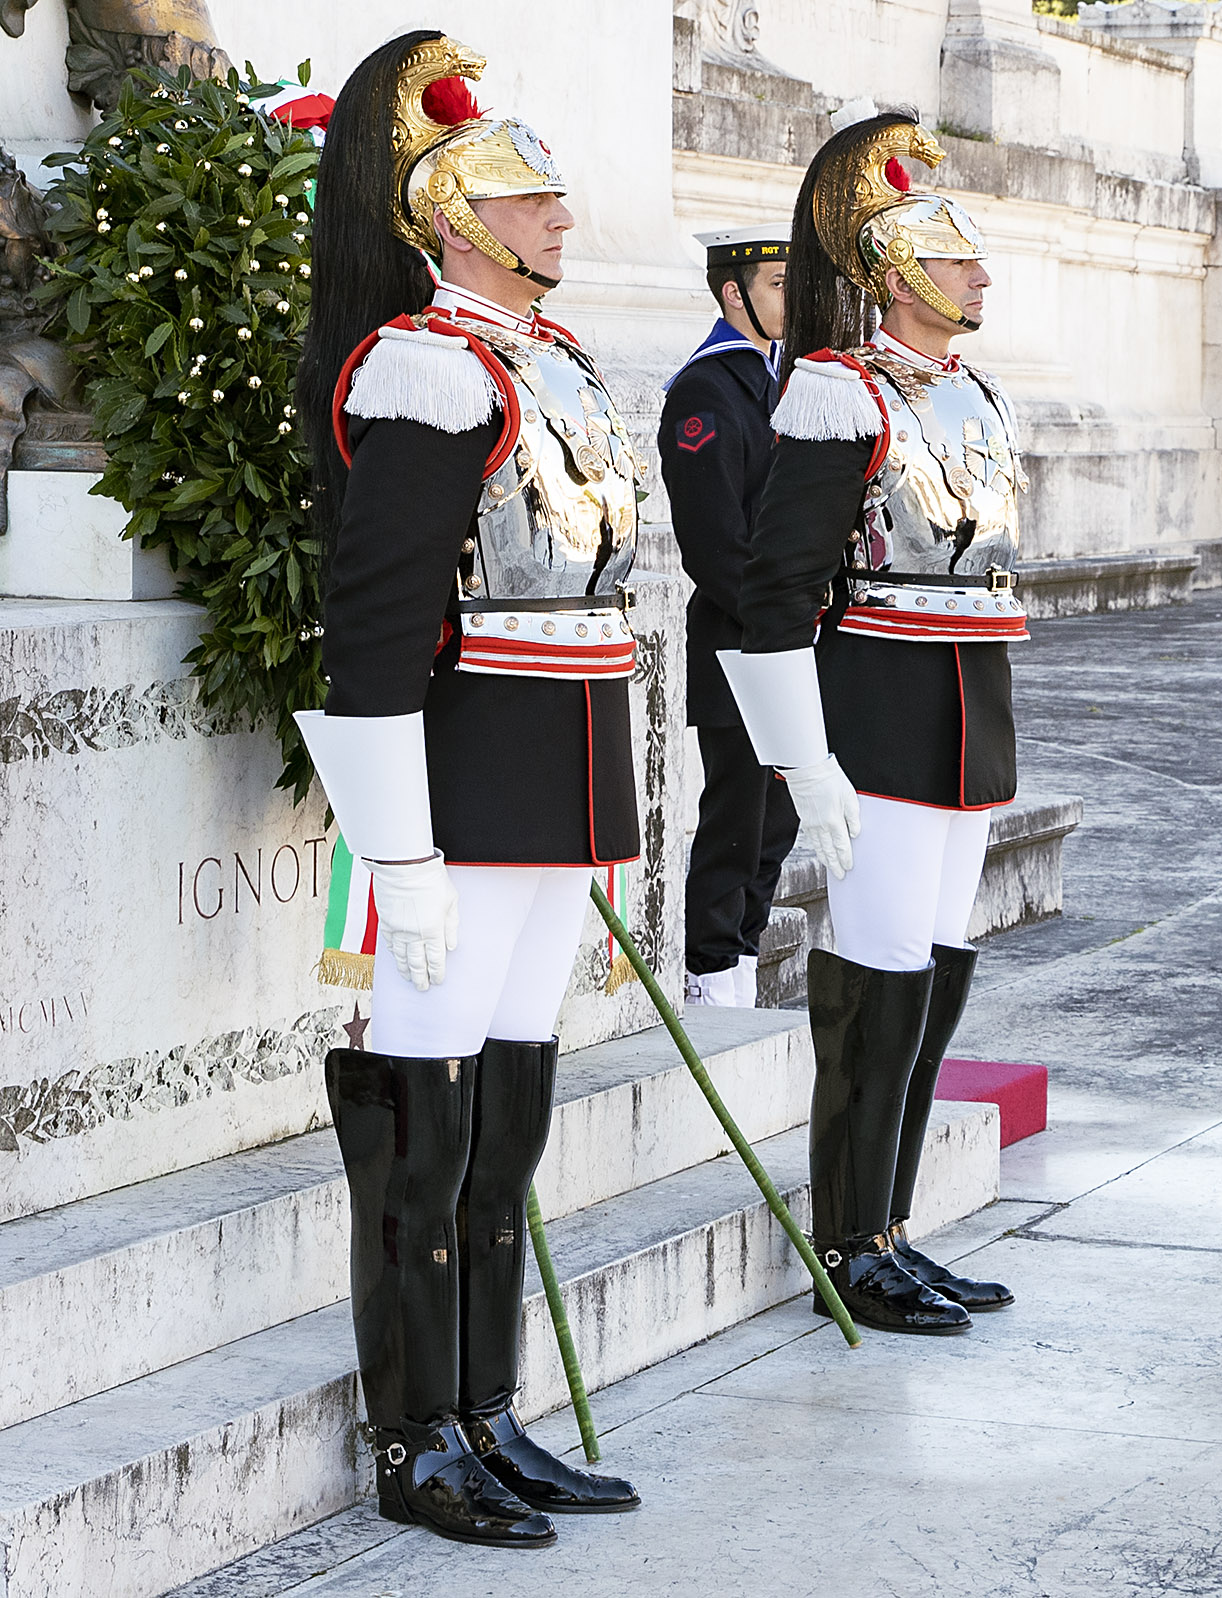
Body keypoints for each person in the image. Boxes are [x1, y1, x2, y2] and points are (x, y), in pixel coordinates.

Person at [292, 31, 640, 1547]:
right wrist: (401, 856)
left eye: (558, 193)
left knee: (505, 1118)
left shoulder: (546, 360)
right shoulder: (428, 366)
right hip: (463, 785)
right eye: (525, 197)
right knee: (424, 1125)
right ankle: (412, 1434)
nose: (560, 216)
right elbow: (372, 630)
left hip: (556, 780)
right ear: (449, 218)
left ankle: (489, 1408)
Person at [721, 105, 1023, 1334]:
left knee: (938, 974)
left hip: (967, 713)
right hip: (882, 713)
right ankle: (849, 1238)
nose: (980, 274)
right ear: (896, 272)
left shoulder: (972, 392)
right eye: (957, 258)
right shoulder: (839, 397)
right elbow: (770, 592)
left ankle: (894, 1225)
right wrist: (804, 760)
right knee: (878, 973)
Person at [664, 225, 798, 1007]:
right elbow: (715, 547)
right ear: (733, 294)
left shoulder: (779, 381)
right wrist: (780, 620)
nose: (789, 298)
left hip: (785, 647)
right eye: (777, 284)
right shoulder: (705, 391)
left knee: (774, 826)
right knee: (736, 821)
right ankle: (711, 978)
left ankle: (740, 964)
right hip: (739, 647)